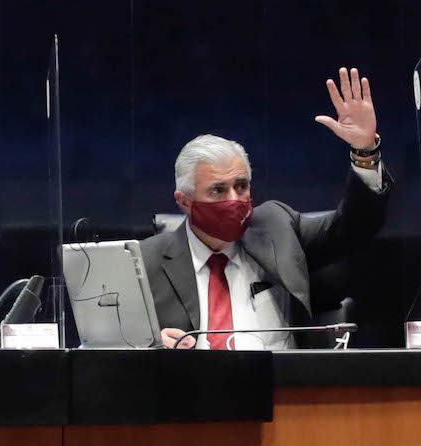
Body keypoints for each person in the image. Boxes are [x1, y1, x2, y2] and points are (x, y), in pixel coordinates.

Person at [139, 68, 392, 348]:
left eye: (241, 185)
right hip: (193, 389)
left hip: (280, 386)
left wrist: (365, 150)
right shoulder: (144, 261)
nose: (234, 199)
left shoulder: (276, 227)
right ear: (183, 200)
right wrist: (148, 345)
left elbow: (355, 227)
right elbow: (107, 346)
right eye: (218, 190)